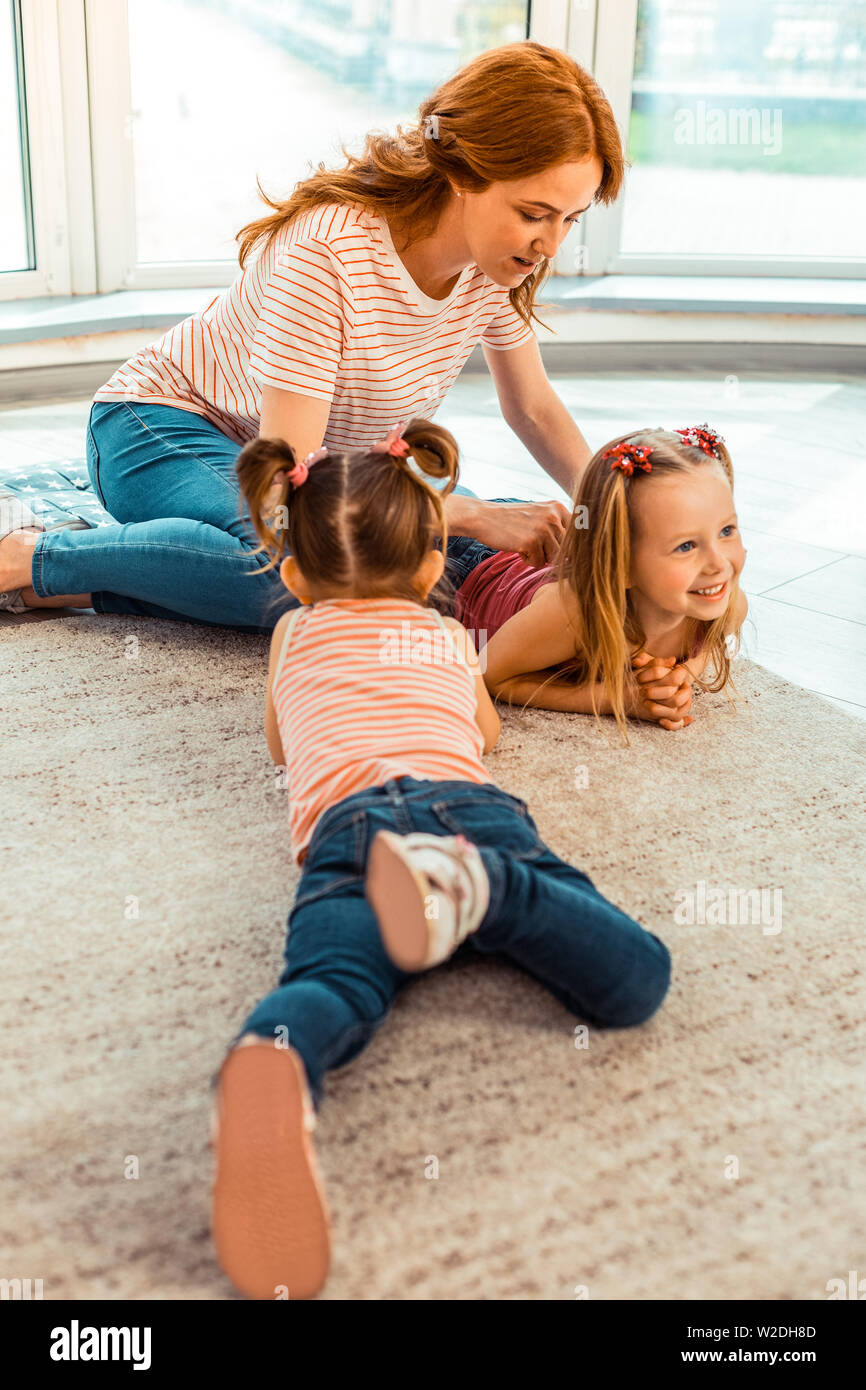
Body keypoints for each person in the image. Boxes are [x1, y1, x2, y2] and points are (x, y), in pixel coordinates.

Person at [210, 416, 671, 1300]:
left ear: (293, 572)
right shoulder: (448, 639)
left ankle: (279, 1057)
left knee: (335, 981)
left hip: (346, 831)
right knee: (635, 981)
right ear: (432, 567)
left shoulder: (290, 636)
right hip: (465, 809)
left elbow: (279, 747)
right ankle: (481, 887)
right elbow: (484, 734)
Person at [0, 40, 624, 626]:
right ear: (462, 173)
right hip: (163, 428)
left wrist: (616, 508)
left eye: (570, 218)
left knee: (444, 564)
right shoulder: (331, 250)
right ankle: (34, 557)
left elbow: (534, 409)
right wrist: (468, 515)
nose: (551, 245)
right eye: (533, 214)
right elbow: (291, 483)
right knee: (293, 573)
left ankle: (142, 573)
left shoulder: (499, 264)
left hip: (332, 471)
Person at [451, 424, 749, 740]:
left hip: (532, 532)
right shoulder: (573, 613)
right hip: (462, 562)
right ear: (623, 569)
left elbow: (711, 643)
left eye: (726, 530)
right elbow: (490, 674)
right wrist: (617, 698)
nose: (718, 564)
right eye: (686, 546)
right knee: (407, 511)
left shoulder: (723, 603)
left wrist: (680, 678)